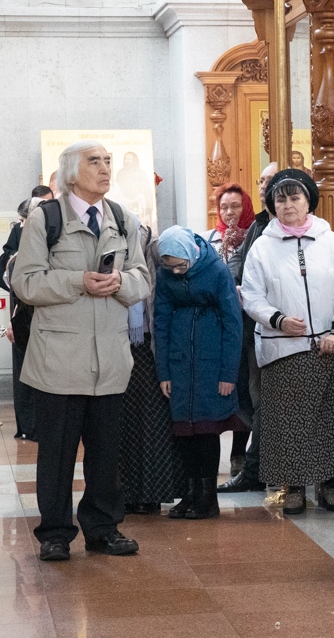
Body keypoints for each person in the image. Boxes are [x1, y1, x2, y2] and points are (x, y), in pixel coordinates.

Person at [13, 140, 150, 561]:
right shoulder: (46, 219)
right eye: (95, 162)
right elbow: (26, 282)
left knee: (106, 455)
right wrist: (78, 281)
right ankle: (55, 533)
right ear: (72, 172)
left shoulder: (123, 219)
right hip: (58, 360)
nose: (105, 168)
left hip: (110, 359)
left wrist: (121, 283)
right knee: (56, 455)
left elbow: (142, 278)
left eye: (108, 161)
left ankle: (103, 528)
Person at [242, 169, 334, 515]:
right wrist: (278, 319)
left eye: (295, 198)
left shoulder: (330, 241)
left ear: (308, 202)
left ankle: (329, 486)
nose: (288, 205)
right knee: (288, 422)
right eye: (280, 199)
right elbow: (251, 295)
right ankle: (293, 487)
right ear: (272, 205)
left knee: (330, 419)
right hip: (283, 347)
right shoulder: (263, 246)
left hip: (329, 346)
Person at [155, 226, 243, 521]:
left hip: (211, 362)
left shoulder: (217, 271)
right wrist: (163, 371)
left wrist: (228, 374)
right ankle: (191, 494)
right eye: (171, 267)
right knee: (184, 433)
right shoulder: (165, 275)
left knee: (206, 430)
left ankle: (207, 498)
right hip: (180, 362)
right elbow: (161, 322)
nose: (176, 272)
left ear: (191, 254)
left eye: (181, 266)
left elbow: (233, 323)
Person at [217, 163, 276, 494]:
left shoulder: (315, 233)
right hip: (251, 327)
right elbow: (244, 272)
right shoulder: (259, 225)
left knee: (266, 399)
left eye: (272, 181)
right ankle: (255, 467)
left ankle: (262, 468)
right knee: (252, 396)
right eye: (262, 181)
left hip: (287, 330)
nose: (266, 187)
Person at [120, 219, 183, 515]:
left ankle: (152, 492)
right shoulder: (108, 245)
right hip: (116, 342)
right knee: (122, 422)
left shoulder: (152, 245)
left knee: (153, 422)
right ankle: (124, 492)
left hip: (149, 346)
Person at [201, 182, 256, 475]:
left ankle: (239, 454)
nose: (230, 212)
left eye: (236, 206)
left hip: (246, 326)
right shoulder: (208, 240)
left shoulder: (256, 239)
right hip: (215, 327)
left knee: (243, 389)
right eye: (224, 207)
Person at [1, 188, 54, 440]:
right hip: (23, 312)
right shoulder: (19, 235)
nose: (21, 225)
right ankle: (28, 425)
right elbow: (8, 272)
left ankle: (43, 425)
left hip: (44, 313)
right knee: (25, 368)